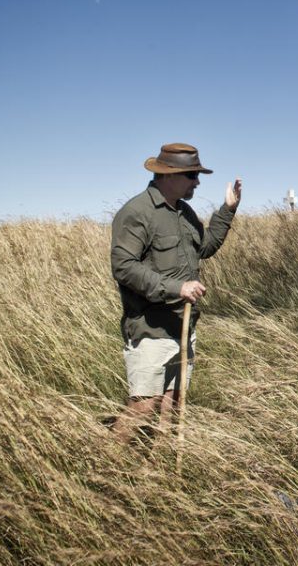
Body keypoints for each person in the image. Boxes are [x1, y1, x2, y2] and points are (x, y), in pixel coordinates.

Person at [110, 142, 242, 442]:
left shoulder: (184, 212)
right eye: (192, 174)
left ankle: (158, 471)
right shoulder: (137, 212)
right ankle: (103, 465)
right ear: (168, 175)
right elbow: (124, 267)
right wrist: (176, 288)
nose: (197, 181)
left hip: (182, 325)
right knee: (144, 405)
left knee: (172, 401)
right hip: (150, 327)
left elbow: (204, 247)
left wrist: (228, 211)